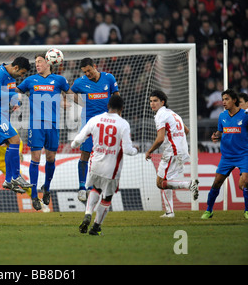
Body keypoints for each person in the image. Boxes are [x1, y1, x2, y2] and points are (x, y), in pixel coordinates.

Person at [71, 95, 138, 235]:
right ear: (122, 109)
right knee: (107, 197)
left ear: (108, 106)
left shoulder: (95, 119)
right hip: (111, 168)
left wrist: (74, 144)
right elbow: (127, 150)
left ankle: (88, 212)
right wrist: (135, 151)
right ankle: (96, 227)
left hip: (95, 164)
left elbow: (79, 138)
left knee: (95, 188)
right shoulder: (123, 124)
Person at [16, 53, 70, 210]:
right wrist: (17, 100)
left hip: (53, 124)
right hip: (35, 124)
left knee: (51, 158)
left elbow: (71, 95)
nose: (37, 64)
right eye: (36, 62)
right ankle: (33, 194)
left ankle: (46, 186)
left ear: (49, 63)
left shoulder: (59, 80)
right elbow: (17, 91)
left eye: (40, 61)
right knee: (36, 157)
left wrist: (68, 101)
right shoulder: (30, 80)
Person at [67, 58, 120, 202]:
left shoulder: (108, 78)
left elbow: (117, 97)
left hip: (107, 124)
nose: (88, 73)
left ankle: (97, 187)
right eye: (85, 72)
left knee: (104, 155)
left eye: (89, 70)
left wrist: (118, 119)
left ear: (95, 66)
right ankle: (82, 187)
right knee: (85, 153)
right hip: (89, 124)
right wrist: (81, 102)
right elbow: (69, 92)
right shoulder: (80, 82)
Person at [0, 56, 32, 193]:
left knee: (11, 144)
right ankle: (16, 176)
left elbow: (12, 94)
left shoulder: (12, 78)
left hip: (1, 115)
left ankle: (8, 180)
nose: (22, 76)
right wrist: (15, 95)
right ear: (16, 68)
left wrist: (16, 102)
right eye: (22, 73)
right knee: (15, 140)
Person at [145, 90, 199, 218]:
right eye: (151, 101)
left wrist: (149, 151)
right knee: (165, 181)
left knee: (160, 182)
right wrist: (177, 141)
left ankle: (189, 184)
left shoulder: (161, 115)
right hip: (180, 150)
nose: (152, 104)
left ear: (162, 102)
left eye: (155, 101)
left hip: (173, 152)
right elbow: (186, 130)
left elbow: (160, 138)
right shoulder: (172, 113)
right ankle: (169, 212)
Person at [201, 89, 248, 220]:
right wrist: (216, 136)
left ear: (234, 100)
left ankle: (247, 210)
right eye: (223, 99)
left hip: (243, 155)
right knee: (217, 182)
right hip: (227, 156)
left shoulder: (245, 115)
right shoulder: (222, 116)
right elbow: (220, 132)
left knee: (246, 181)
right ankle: (209, 210)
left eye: (226, 99)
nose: (223, 102)